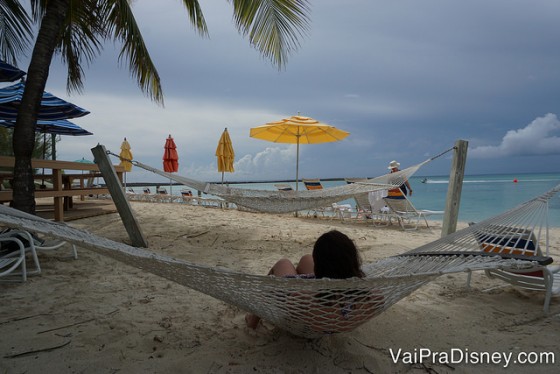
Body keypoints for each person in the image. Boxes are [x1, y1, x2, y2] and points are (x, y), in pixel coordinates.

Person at [245, 230, 365, 329]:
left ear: (320, 266)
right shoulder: (367, 295)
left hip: (307, 312)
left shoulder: (302, 297)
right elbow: (378, 296)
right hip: (337, 298)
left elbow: (286, 304)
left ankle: (252, 321)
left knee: (283, 263)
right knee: (307, 259)